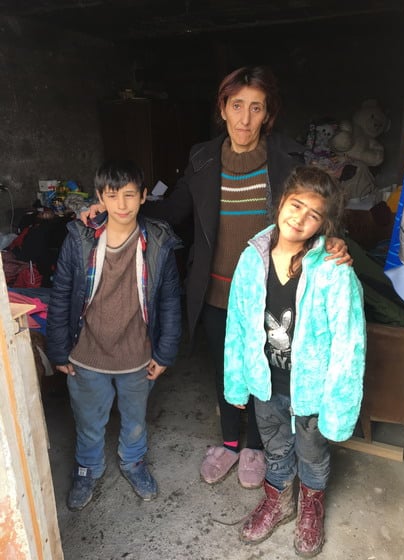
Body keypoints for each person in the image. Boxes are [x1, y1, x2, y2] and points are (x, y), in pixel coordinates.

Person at [83, 66, 351, 490]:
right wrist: (118, 208)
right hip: (216, 292)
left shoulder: (288, 160)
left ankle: (257, 448)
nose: (245, 118)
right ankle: (228, 443)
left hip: (274, 295)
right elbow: (172, 211)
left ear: (268, 114)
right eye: (236, 105)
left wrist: (333, 240)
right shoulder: (203, 158)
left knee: (266, 374)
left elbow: (315, 209)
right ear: (222, 109)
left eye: (256, 108)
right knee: (227, 370)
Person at [224, 166, 366, 556]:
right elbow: (237, 323)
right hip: (266, 383)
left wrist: (338, 406)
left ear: (324, 225)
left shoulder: (333, 270)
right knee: (276, 448)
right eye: (296, 205)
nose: (300, 218)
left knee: (312, 453)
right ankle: (279, 502)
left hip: (312, 392)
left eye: (314, 214)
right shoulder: (252, 259)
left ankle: (310, 508)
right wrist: (237, 381)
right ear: (281, 201)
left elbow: (349, 343)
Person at [46, 160, 182, 511]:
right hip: (87, 353)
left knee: (135, 419)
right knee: (89, 421)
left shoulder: (158, 242)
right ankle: (87, 468)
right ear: (100, 198)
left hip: (137, 354)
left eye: (130, 195)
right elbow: (61, 293)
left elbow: (169, 301)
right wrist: (58, 350)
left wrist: (165, 353)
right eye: (113, 195)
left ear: (144, 196)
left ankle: (133, 461)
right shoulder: (80, 239)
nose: (122, 204)